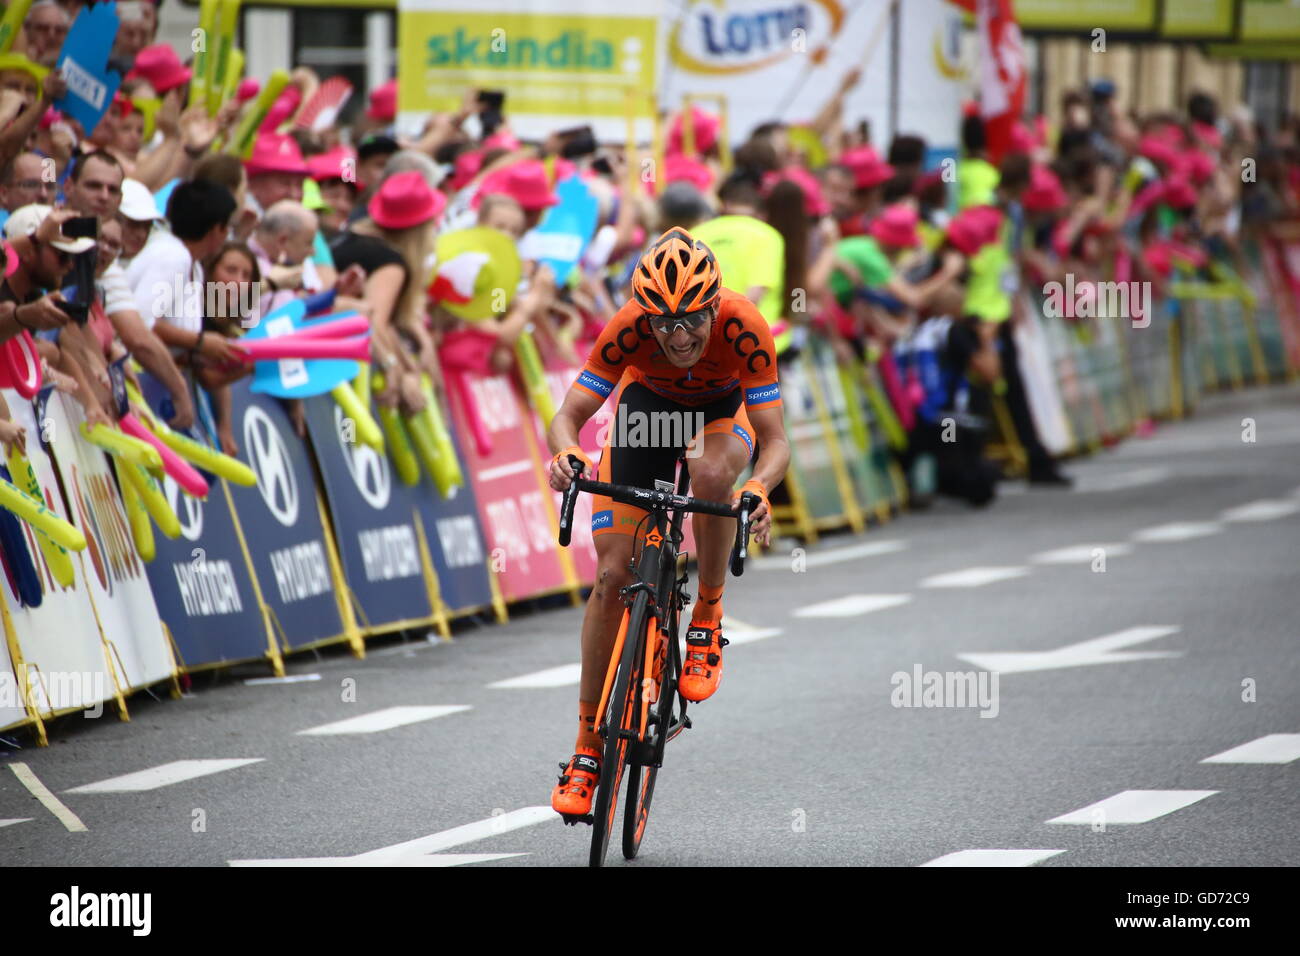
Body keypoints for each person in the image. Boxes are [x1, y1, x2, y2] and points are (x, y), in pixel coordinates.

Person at [545, 228, 790, 819]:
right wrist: (566, 456)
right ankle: (585, 747)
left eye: (690, 321)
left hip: (720, 413)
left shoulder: (744, 324)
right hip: (646, 411)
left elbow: (776, 441)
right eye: (663, 323)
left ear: (713, 307)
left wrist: (757, 487)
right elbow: (568, 417)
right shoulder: (628, 326)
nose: (678, 337)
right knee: (610, 576)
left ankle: (705, 613)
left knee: (709, 477)